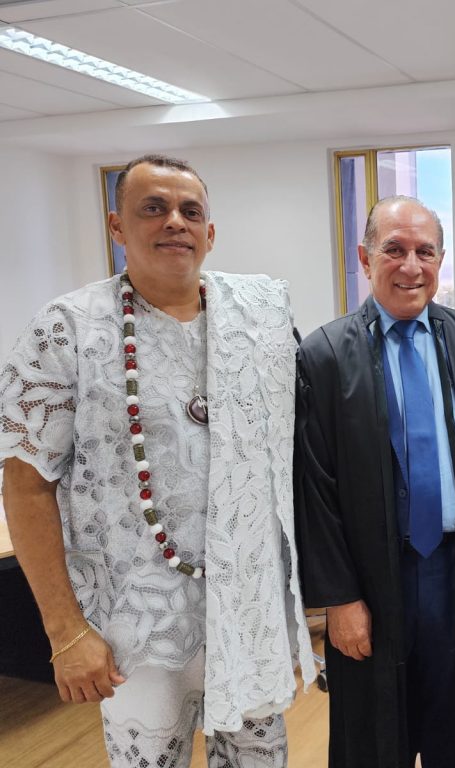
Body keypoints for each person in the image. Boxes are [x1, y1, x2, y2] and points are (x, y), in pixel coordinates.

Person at [0, 154, 315, 767]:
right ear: (117, 226)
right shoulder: (67, 330)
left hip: (246, 615)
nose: (175, 222)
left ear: (210, 232)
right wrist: (66, 632)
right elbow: (26, 483)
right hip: (133, 626)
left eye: (189, 211)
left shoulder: (261, 319)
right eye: (154, 208)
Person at [294, 195, 455, 767]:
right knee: (374, 735)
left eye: (425, 252)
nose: (411, 266)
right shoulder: (323, 357)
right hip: (371, 579)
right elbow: (314, 487)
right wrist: (339, 599)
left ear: (441, 260)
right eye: (394, 249)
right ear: (365, 258)